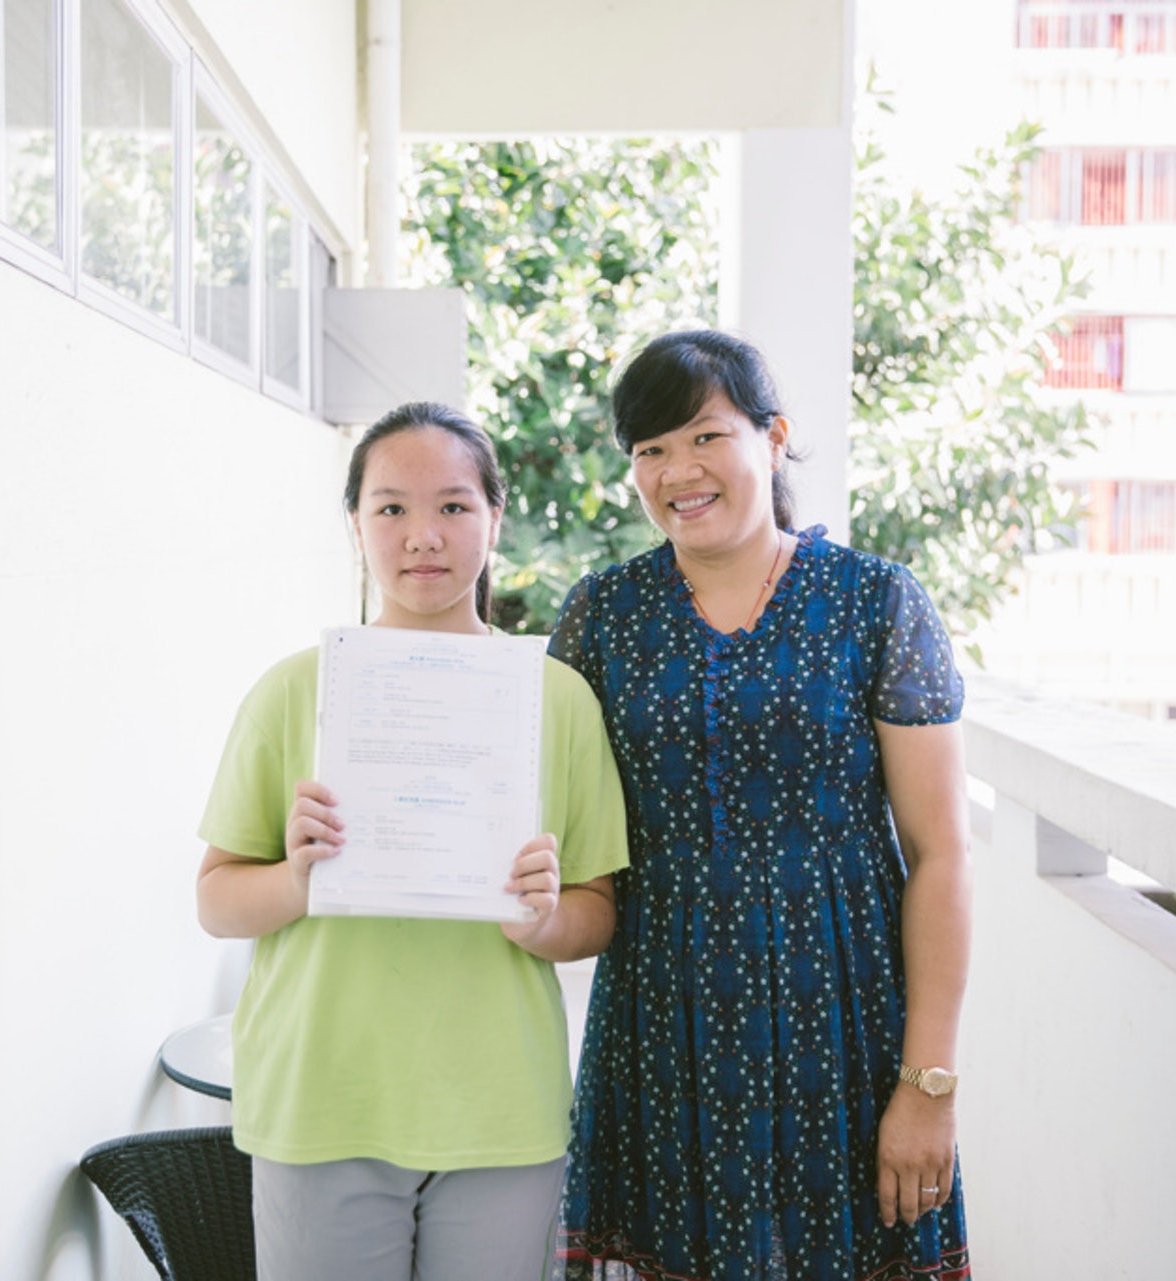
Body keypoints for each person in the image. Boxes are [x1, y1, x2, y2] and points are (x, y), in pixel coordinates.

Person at [550, 331, 972, 1280]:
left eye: (704, 436)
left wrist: (928, 1083)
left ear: (773, 437)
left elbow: (941, 852)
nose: (676, 471)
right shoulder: (601, 616)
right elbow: (541, 807)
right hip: (663, 1037)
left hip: (848, 1037)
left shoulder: (877, 602)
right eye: (649, 450)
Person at [195, 401, 629, 1281]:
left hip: (499, 1106)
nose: (422, 536)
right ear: (354, 524)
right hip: (323, 1096)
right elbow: (216, 899)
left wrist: (540, 920)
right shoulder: (293, 692)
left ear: (495, 518)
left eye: (454, 506)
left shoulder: (558, 699)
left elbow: (597, 911)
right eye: (391, 507)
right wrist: (296, 875)